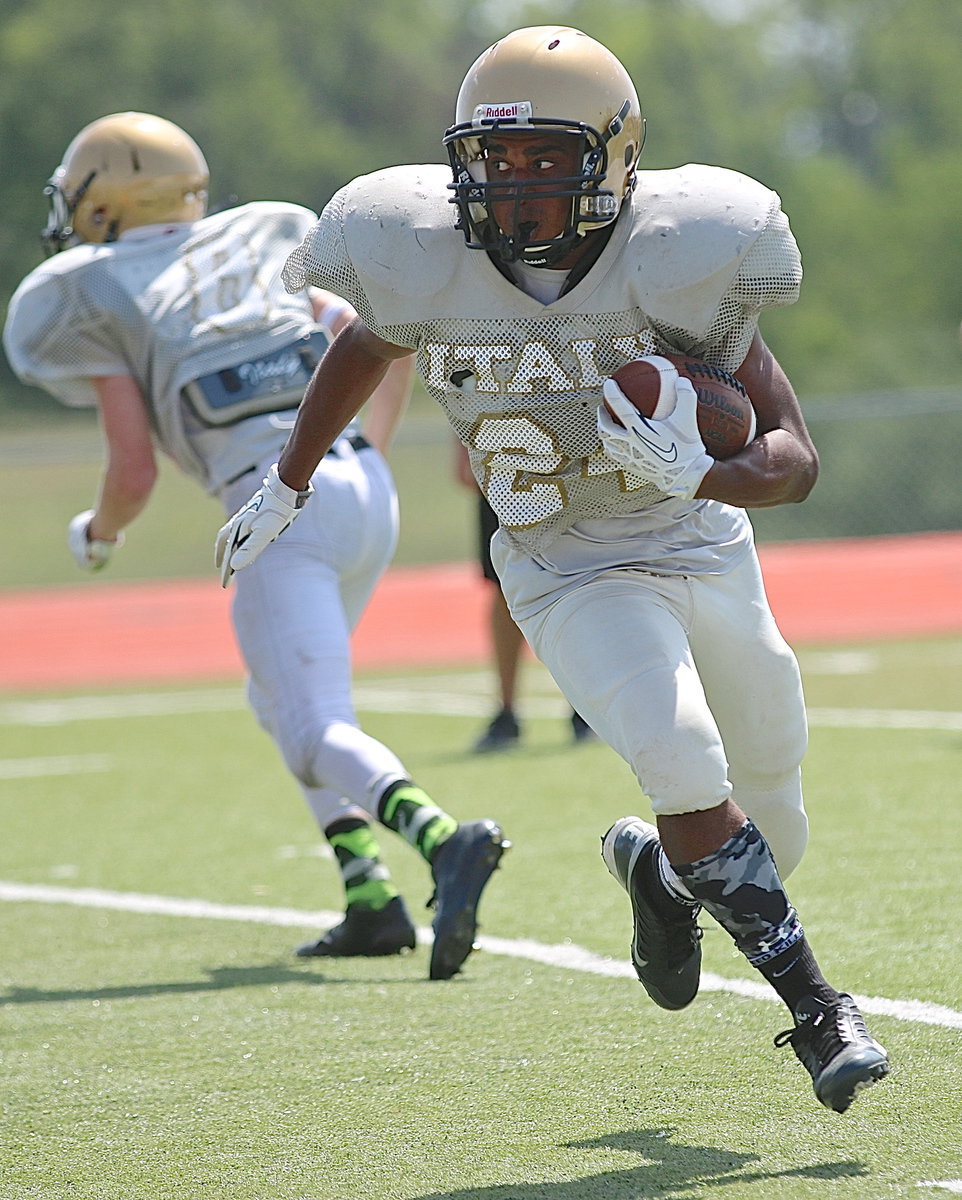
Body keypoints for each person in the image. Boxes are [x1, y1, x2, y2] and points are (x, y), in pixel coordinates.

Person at [214, 27, 891, 1111]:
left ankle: (657, 878)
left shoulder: (682, 256)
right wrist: (288, 479)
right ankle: (817, 1010)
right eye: (494, 159)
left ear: (615, 159)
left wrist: (703, 473)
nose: (513, 183)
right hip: (562, 565)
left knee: (778, 820)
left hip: (699, 546)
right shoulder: (418, 256)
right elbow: (365, 343)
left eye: (543, 156)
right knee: (679, 752)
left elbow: (794, 462)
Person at [3, 111, 506, 982]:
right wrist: (366, 458)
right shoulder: (261, 238)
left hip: (275, 507)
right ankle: (369, 899)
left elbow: (131, 472)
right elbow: (368, 335)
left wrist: (98, 534)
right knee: (279, 697)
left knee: (313, 725)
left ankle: (441, 837)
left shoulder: (99, 289)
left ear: (104, 199)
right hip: (359, 492)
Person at [452, 438, 597, 751]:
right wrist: (461, 445)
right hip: (502, 459)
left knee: (583, 580)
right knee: (503, 585)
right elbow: (459, 387)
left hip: (570, 458)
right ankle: (506, 713)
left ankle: (586, 710)